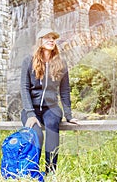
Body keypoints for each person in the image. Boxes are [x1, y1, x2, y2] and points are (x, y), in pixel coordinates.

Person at [20, 27, 78, 174]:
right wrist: (30, 114)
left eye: (53, 38)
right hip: (31, 109)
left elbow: (64, 91)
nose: (51, 40)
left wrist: (69, 115)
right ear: (40, 41)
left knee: (52, 126)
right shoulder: (29, 61)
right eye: (47, 37)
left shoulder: (61, 63)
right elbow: (24, 88)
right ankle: (32, 172)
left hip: (51, 109)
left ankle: (50, 172)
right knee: (37, 134)